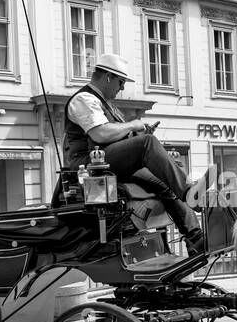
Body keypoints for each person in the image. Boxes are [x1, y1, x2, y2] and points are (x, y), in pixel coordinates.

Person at [63, 52, 206, 253]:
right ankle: (191, 193)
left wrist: (135, 133)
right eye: (121, 82)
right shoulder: (84, 99)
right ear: (108, 77)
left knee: (163, 181)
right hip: (90, 163)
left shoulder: (105, 104)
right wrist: (134, 126)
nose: (122, 88)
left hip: (107, 161)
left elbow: (114, 137)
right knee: (147, 143)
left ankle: (194, 237)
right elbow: (101, 133)